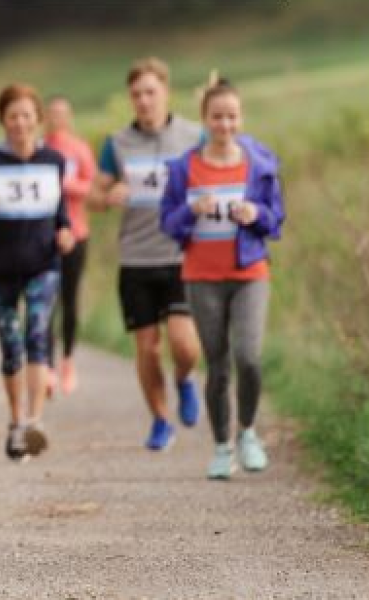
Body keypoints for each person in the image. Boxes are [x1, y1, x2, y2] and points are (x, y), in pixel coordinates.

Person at [161, 75, 285, 479]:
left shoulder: (259, 164)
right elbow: (168, 222)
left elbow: (276, 218)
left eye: (232, 116)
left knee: (248, 357)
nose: (225, 125)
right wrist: (191, 212)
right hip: (201, 276)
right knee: (217, 364)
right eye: (217, 117)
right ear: (205, 120)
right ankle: (221, 446)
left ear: (240, 118)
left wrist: (256, 215)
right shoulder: (185, 169)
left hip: (250, 273)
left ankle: (248, 432)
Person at [87, 57, 203, 451]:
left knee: (184, 344)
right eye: (136, 94)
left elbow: (219, 172)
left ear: (166, 92)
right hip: (135, 259)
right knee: (147, 348)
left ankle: (186, 379)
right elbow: (93, 195)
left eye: (151, 92)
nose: (144, 100)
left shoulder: (193, 136)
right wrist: (108, 195)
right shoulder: (117, 143)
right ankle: (159, 419)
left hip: (181, 255)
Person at [0, 83, 75, 462]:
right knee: (12, 349)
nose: (20, 123)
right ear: (2, 121)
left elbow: (59, 210)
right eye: (12, 117)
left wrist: (65, 230)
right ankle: (15, 421)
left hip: (43, 265)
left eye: (26, 115)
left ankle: (35, 422)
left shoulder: (53, 160)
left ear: (37, 119)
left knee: (38, 337)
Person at [44, 95, 96, 395]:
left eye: (61, 113)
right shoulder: (39, 148)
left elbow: (90, 186)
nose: (56, 118)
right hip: (44, 236)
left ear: (69, 116)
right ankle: (47, 366)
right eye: (51, 113)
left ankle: (68, 361)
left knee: (69, 299)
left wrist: (64, 186)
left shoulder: (78, 148)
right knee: (45, 301)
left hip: (76, 232)